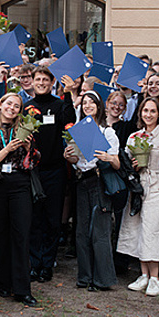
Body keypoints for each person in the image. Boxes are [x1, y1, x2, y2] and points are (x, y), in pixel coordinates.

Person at [0, 93, 40, 306]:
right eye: (9, 103)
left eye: (17, 106)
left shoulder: (24, 130)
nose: (12, 108)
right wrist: (7, 149)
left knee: (21, 234)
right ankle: (1, 282)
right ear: (1, 105)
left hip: (20, 185)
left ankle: (22, 289)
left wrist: (28, 150)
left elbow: (32, 163)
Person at [117, 98, 159, 296]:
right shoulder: (134, 136)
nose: (148, 115)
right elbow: (127, 162)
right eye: (145, 111)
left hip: (158, 185)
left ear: (158, 114)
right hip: (139, 185)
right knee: (139, 228)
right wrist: (134, 165)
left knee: (154, 229)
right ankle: (143, 274)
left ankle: (155, 277)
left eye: (152, 111)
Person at [66, 90, 121, 292]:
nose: (88, 106)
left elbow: (116, 163)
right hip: (82, 182)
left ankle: (103, 279)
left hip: (99, 182)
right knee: (81, 231)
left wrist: (108, 158)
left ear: (99, 107)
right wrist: (69, 156)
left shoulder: (107, 132)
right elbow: (77, 162)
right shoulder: (78, 131)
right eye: (85, 103)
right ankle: (85, 277)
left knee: (99, 232)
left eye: (92, 102)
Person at [25, 67, 75, 282]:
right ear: (32, 82)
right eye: (38, 79)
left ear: (52, 82)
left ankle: (47, 263)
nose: (42, 83)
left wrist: (69, 94)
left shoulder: (59, 105)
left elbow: (70, 122)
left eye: (46, 79)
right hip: (32, 170)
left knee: (52, 219)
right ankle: (34, 263)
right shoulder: (26, 107)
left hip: (55, 169)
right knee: (34, 218)